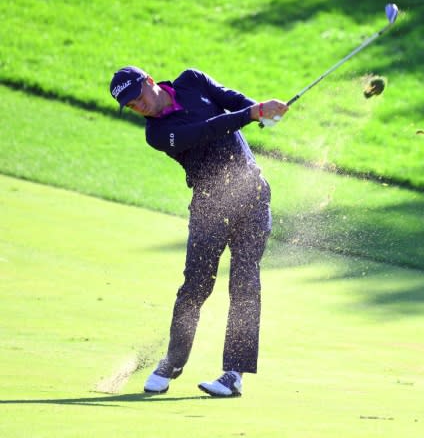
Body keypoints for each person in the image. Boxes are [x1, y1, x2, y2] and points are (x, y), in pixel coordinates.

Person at [109, 66, 289, 397]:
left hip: (252, 193)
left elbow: (230, 100)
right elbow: (206, 130)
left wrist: (259, 110)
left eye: (138, 98)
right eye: (132, 106)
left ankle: (234, 374)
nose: (140, 107)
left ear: (150, 82)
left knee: (245, 282)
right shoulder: (158, 134)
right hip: (210, 204)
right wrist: (252, 113)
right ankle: (173, 362)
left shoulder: (191, 80)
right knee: (196, 285)